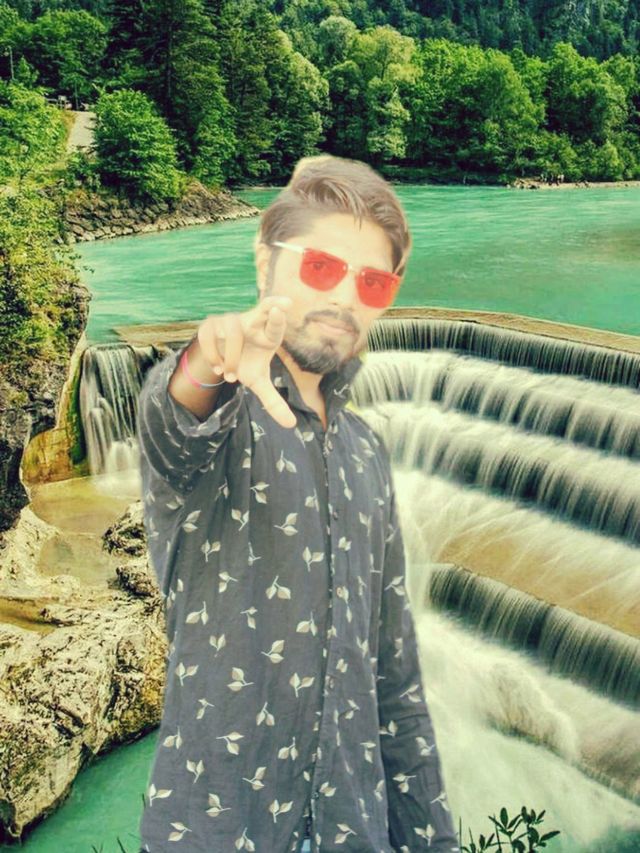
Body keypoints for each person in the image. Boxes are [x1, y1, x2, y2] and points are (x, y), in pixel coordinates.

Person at [136, 154, 459, 852]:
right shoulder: (219, 422)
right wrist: (209, 360)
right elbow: (173, 420)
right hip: (218, 828)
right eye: (320, 266)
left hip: (356, 827)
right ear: (266, 262)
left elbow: (394, 677)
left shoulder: (367, 453)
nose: (344, 297)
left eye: (372, 281)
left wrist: (431, 839)